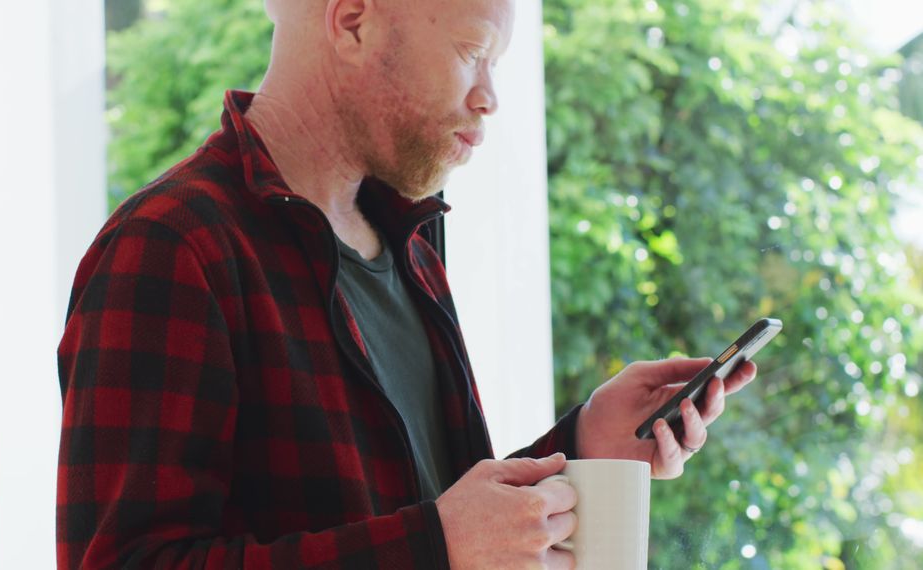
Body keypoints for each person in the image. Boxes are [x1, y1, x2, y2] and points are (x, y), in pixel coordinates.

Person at [56, 0, 758, 568]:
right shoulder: (172, 249)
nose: (490, 97)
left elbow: (437, 521)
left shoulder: (409, 247)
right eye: (471, 51)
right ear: (352, 23)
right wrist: (433, 549)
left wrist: (584, 443)